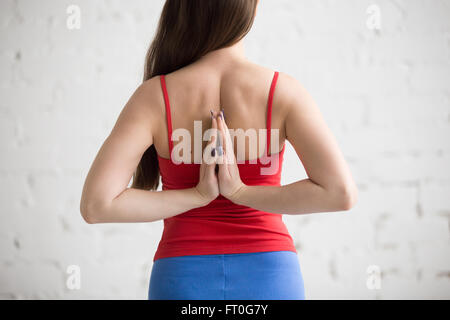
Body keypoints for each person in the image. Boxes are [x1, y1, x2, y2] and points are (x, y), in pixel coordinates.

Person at [80, 0, 358, 300]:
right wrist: (239, 191)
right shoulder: (282, 91)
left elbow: (97, 205)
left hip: (182, 274)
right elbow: (339, 192)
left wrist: (198, 195)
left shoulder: (154, 97)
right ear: (249, 10)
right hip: (268, 272)